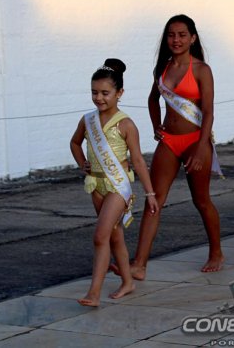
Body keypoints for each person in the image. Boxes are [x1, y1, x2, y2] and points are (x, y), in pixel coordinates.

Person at [130, 14, 224, 279]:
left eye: (182, 35)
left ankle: (216, 252)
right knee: (153, 200)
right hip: (169, 142)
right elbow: (152, 100)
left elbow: (208, 112)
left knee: (201, 200)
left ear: (192, 38)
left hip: (196, 141)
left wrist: (201, 148)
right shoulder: (162, 68)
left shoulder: (201, 70)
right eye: (171, 35)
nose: (176, 40)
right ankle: (139, 264)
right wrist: (156, 126)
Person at [70, 58, 158, 307]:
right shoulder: (87, 120)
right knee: (115, 236)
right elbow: (75, 143)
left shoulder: (126, 124)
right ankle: (128, 282)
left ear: (119, 93)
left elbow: (138, 160)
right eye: (94, 92)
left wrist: (150, 193)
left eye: (105, 93)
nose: (99, 98)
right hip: (96, 185)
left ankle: (94, 293)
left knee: (101, 236)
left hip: (118, 186)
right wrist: (82, 163)